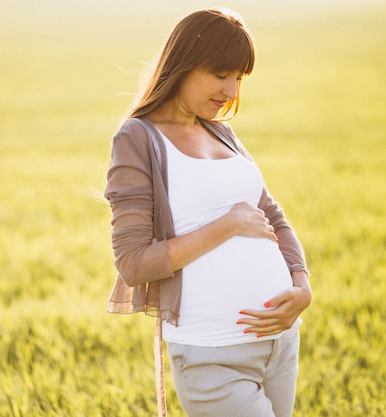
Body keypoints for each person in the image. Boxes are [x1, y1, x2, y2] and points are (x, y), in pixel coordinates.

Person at [104, 8, 312, 417]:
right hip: (212, 354)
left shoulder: (220, 130)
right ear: (182, 65)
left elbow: (273, 215)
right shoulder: (137, 139)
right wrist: (228, 225)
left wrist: (302, 286)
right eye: (221, 75)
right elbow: (133, 263)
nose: (232, 91)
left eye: (239, 78)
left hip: (280, 342)